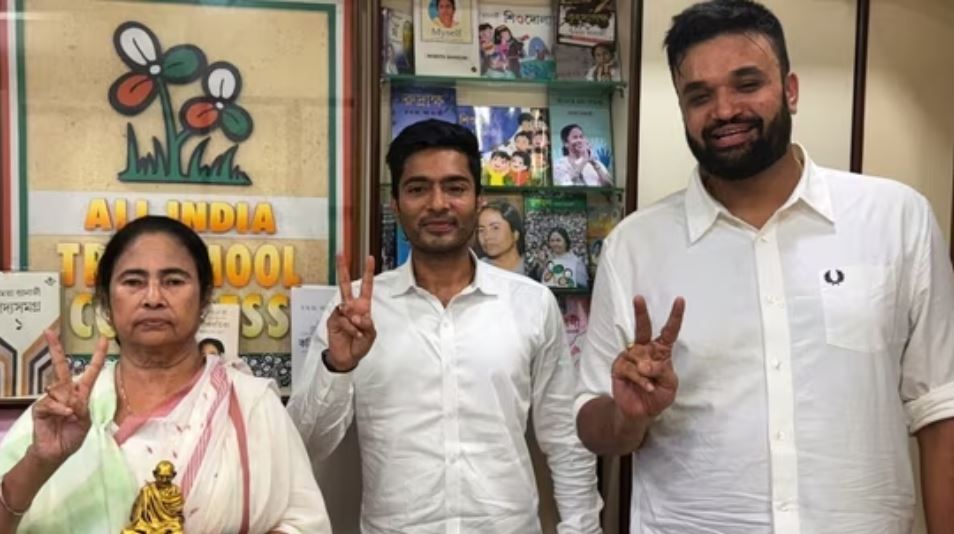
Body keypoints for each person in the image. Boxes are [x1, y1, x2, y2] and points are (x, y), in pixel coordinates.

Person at [574, 1, 954, 533]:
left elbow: (940, 406)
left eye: (747, 83)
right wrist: (627, 416)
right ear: (683, 111)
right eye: (699, 95)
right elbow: (591, 423)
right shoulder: (635, 245)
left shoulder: (895, 219)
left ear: (791, 89)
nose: (725, 110)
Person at [288, 119, 601, 533]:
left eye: (454, 187)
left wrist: (582, 529)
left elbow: (564, 436)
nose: (438, 204)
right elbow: (304, 445)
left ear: (478, 199)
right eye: (418, 189)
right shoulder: (356, 310)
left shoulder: (530, 304)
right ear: (396, 204)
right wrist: (337, 366)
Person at [0, 216, 330, 533]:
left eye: (173, 281)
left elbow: (305, 524)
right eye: (133, 281)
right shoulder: (62, 413)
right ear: (105, 300)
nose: (153, 298)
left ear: (203, 300)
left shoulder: (251, 405)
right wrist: (39, 462)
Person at [476, 200, 540, 279]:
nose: (487, 237)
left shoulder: (535, 270)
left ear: (515, 234)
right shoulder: (474, 272)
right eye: (481, 230)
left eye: (495, 228)